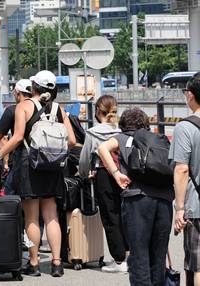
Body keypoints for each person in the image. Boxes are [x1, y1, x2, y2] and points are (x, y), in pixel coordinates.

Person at [0, 70, 76, 277]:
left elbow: (17, 138)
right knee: (51, 215)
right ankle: (56, 263)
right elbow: (71, 141)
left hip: (29, 165)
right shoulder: (58, 109)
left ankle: (34, 263)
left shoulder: (23, 107)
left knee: (31, 218)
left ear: (33, 87)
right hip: (53, 166)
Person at [97, 108, 173, 285]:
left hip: (137, 200)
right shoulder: (157, 139)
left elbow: (102, 148)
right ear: (146, 124)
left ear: (123, 125)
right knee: (158, 255)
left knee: (139, 254)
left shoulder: (123, 138)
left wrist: (116, 174)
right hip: (164, 201)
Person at [78, 95, 128, 273]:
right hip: (124, 174)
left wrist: (83, 174)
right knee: (124, 214)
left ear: (98, 111)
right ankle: (129, 255)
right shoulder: (121, 130)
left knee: (110, 215)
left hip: (104, 175)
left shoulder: (93, 132)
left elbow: (84, 160)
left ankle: (119, 259)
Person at [171, 74, 200, 286]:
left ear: (190, 95)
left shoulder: (185, 128)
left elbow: (181, 169)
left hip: (196, 207)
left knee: (198, 265)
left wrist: (179, 208)